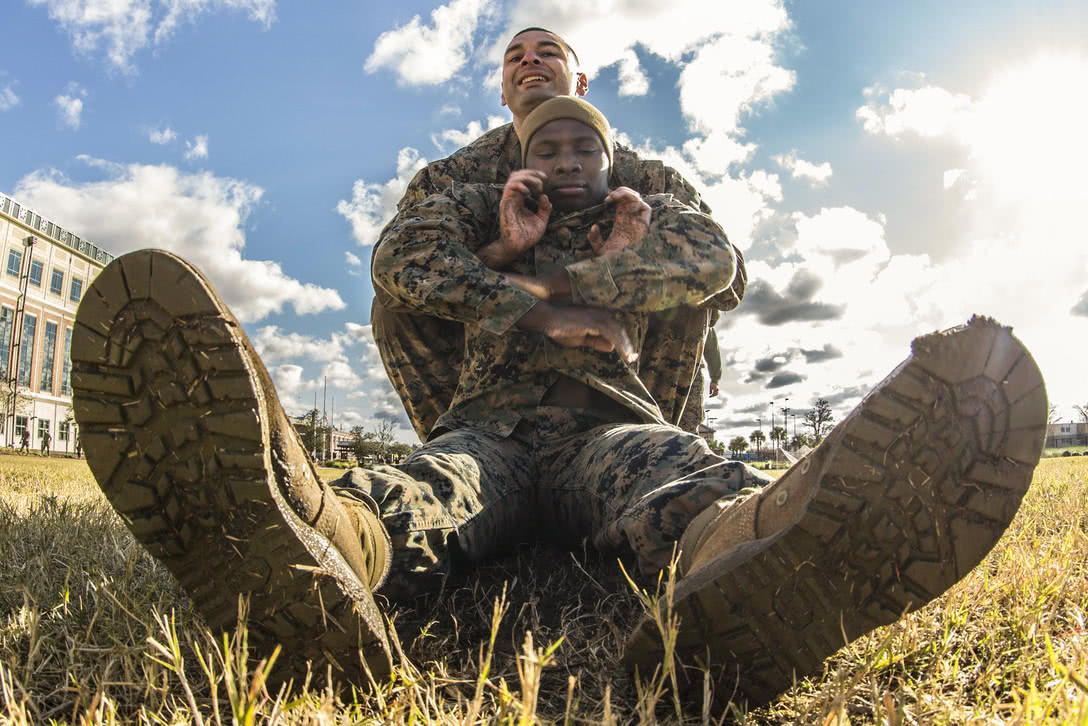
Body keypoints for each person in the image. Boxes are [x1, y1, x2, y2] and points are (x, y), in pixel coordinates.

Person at [71, 96, 1047, 708]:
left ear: (607, 156)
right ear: (518, 152)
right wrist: (515, 274)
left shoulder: (641, 209)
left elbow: (713, 259)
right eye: (551, 144)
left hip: (605, 427)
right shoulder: (491, 212)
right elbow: (403, 263)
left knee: (673, 483)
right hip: (490, 433)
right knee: (428, 491)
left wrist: (606, 278)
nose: (570, 156)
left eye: (585, 140)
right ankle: (317, 542)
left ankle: (764, 547)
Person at [372, 27, 734, 440]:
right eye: (515, 57)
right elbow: (393, 274)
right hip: (489, 380)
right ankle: (459, 444)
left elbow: (729, 279)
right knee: (395, 308)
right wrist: (502, 257)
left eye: (548, 53)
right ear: (502, 92)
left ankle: (668, 458)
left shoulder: (647, 178)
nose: (529, 60)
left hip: (626, 378)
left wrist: (623, 267)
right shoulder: (453, 178)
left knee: (685, 300)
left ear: (580, 85)